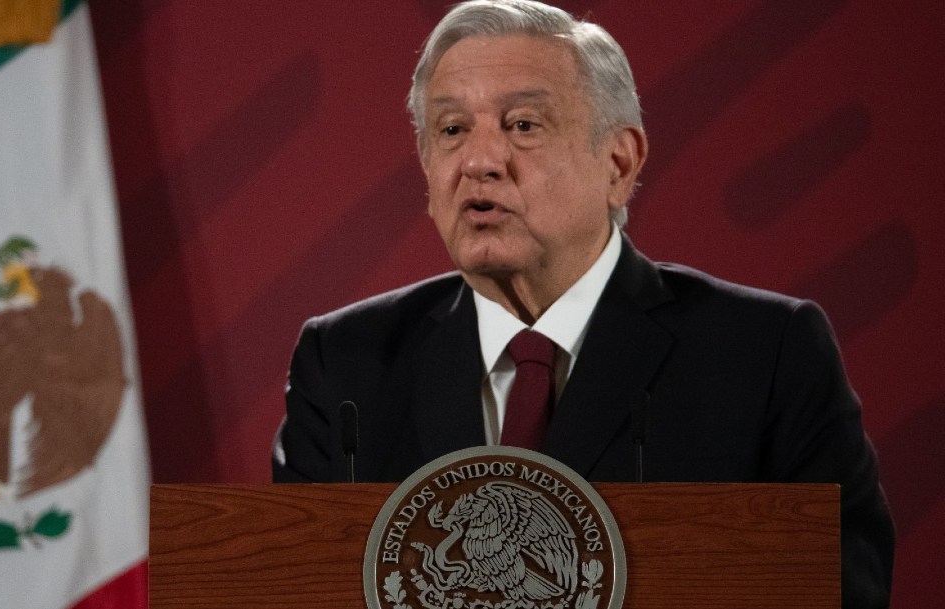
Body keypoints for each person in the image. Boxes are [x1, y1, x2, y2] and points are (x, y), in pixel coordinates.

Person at [271, 1, 894, 606]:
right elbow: (287, 587)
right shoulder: (347, 363)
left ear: (619, 164)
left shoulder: (765, 352)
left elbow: (845, 588)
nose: (479, 162)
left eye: (523, 125)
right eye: (452, 130)